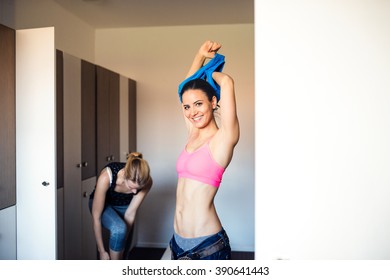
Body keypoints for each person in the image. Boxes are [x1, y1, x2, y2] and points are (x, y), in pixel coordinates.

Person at [170, 40, 240, 260]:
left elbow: (227, 81)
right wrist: (199, 57)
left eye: (199, 104)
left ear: (213, 101)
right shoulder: (193, 131)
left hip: (207, 246)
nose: (192, 112)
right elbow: (185, 89)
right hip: (176, 242)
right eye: (187, 107)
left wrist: (210, 74)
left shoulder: (224, 138)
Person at [89, 152, 153, 260]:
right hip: (103, 205)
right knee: (119, 228)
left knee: (123, 252)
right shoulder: (106, 177)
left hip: (124, 207)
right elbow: (96, 217)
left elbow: (130, 213)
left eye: (138, 189)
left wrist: (122, 242)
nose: (134, 192)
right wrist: (101, 251)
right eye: (131, 187)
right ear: (124, 175)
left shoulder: (147, 182)